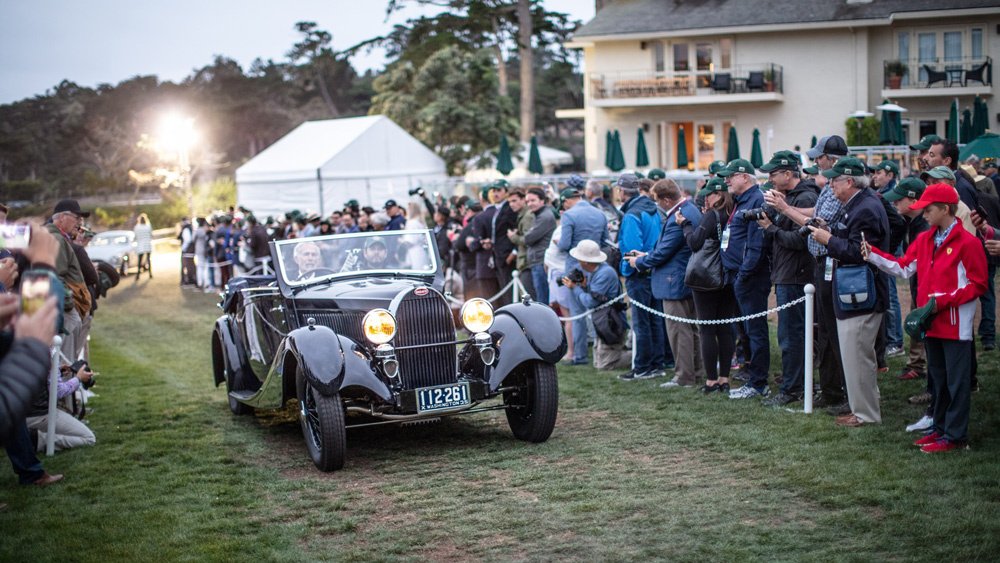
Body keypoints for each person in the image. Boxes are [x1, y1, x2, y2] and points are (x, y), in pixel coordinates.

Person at [865, 184, 986, 452]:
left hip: (954, 325)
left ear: (945, 209)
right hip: (931, 322)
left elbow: (979, 284)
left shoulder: (968, 242)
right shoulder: (926, 239)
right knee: (940, 381)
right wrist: (872, 254)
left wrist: (941, 300)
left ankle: (955, 436)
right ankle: (942, 429)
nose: (924, 214)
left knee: (956, 382)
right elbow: (903, 267)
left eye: (928, 209)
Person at [767, 135, 849, 412]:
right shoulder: (819, 189)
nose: (815, 162)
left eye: (819, 157)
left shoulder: (810, 190)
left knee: (797, 336)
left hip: (805, 272)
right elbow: (813, 214)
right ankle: (809, 386)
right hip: (802, 271)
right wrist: (782, 210)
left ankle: (799, 387)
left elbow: (802, 234)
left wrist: (776, 220)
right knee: (805, 336)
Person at [808, 157, 889, 427]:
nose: (830, 185)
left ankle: (865, 414)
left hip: (861, 293)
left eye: (834, 180)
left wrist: (827, 239)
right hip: (855, 290)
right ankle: (861, 409)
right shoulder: (857, 203)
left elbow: (858, 252)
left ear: (850, 181)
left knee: (858, 356)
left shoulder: (864, 207)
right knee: (855, 355)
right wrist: (830, 231)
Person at [629, 179, 705, 388]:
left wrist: (639, 262)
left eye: (657, 200)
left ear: (666, 199)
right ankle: (696, 372)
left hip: (674, 281)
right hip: (684, 278)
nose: (656, 204)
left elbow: (664, 252)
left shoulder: (680, 215)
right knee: (691, 329)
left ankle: (684, 377)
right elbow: (668, 248)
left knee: (679, 331)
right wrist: (646, 254)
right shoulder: (689, 208)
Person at [757, 151, 818, 406]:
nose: (769, 178)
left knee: (792, 335)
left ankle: (793, 389)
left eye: (773, 173)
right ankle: (795, 382)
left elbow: (799, 240)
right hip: (788, 273)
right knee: (790, 334)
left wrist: (770, 228)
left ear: (788, 173)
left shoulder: (804, 197)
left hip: (796, 276)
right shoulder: (790, 197)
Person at [718, 159, 771, 399]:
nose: (726, 180)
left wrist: (743, 275)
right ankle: (753, 377)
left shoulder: (756, 200)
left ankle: (758, 383)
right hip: (740, 276)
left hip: (751, 278)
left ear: (746, 177)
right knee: (747, 332)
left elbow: (756, 244)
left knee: (755, 331)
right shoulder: (742, 201)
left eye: (731, 176)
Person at [682, 178, 738, 393]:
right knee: (725, 328)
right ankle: (725, 378)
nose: (706, 197)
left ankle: (711, 381)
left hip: (707, 279)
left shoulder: (712, 214)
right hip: (728, 276)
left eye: (709, 194)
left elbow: (695, 243)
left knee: (707, 329)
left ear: (718, 195)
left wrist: (685, 225)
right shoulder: (734, 213)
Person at [614, 174, 669, 380]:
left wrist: (628, 270)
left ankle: (643, 366)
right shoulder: (652, 209)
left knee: (642, 322)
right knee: (654, 319)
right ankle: (656, 363)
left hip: (639, 272)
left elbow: (630, 249)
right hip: (653, 269)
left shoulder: (631, 215)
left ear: (622, 191)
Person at [557, 187, 610, 366]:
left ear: (566, 201)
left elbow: (564, 245)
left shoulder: (569, 216)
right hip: (597, 265)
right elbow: (604, 241)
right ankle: (600, 348)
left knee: (577, 314)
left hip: (575, 267)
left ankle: (580, 355)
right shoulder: (600, 213)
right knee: (600, 308)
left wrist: (559, 243)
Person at [562, 240, 630, 371]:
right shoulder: (599, 271)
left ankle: (636, 356)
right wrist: (583, 286)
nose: (578, 263)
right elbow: (596, 296)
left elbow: (590, 302)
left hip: (612, 324)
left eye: (579, 259)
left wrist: (575, 288)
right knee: (599, 363)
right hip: (604, 322)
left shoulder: (604, 273)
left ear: (586, 262)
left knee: (605, 365)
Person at [47, 199, 91, 362]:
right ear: (62, 218)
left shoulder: (56, 237)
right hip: (64, 313)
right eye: (76, 218)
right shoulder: (57, 239)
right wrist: (69, 306)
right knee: (65, 364)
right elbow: (55, 277)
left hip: (62, 310)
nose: (79, 223)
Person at [521, 188, 557, 305]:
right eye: (528, 201)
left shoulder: (544, 217)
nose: (530, 204)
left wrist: (526, 234)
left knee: (542, 300)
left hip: (540, 261)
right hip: (538, 260)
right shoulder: (540, 215)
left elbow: (528, 238)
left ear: (542, 200)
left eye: (533, 200)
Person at [133, 213, 153, 280]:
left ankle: (138, 274)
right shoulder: (148, 226)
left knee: (139, 261)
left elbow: (135, 236)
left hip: (140, 245)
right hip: (147, 244)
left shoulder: (137, 227)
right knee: (148, 259)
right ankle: (150, 274)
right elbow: (151, 235)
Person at [179, 218, 196, 286]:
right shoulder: (191, 228)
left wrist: (184, 248)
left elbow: (188, 240)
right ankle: (190, 280)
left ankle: (188, 281)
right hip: (190, 250)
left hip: (187, 251)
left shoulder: (186, 229)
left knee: (187, 266)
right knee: (190, 265)